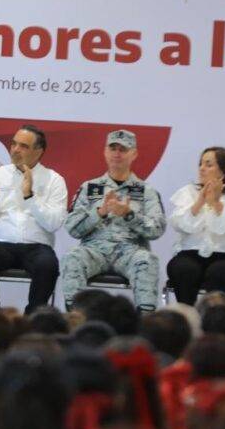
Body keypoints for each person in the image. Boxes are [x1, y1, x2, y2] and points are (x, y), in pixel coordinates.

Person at [62, 130, 167, 313]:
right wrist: (100, 212)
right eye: (113, 148)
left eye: (123, 149)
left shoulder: (146, 191)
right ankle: (75, 320)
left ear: (134, 154)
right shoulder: (89, 188)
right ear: (105, 152)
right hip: (94, 250)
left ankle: (145, 324)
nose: (117, 154)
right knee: (72, 257)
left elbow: (157, 229)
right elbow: (72, 228)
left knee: (148, 260)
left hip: (130, 251)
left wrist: (129, 214)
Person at [0, 125, 68, 313]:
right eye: (13, 144)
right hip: (1, 243)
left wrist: (30, 196)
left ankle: (32, 319)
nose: (15, 149)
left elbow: (54, 223)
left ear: (39, 151)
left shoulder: (54, 180)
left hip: (37, 246)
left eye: (23, 146)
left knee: (48, 266)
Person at [166, 147, 225, 306]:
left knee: (220, 272)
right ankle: (187, 321)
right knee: (183, 270)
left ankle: (213, 323)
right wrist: (200, 201)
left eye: (209, 164)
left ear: (224, 169)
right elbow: (178, 224)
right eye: (201, 164)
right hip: (190, 254)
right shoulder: (188, 192)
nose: (202, 168)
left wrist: (216, 203)